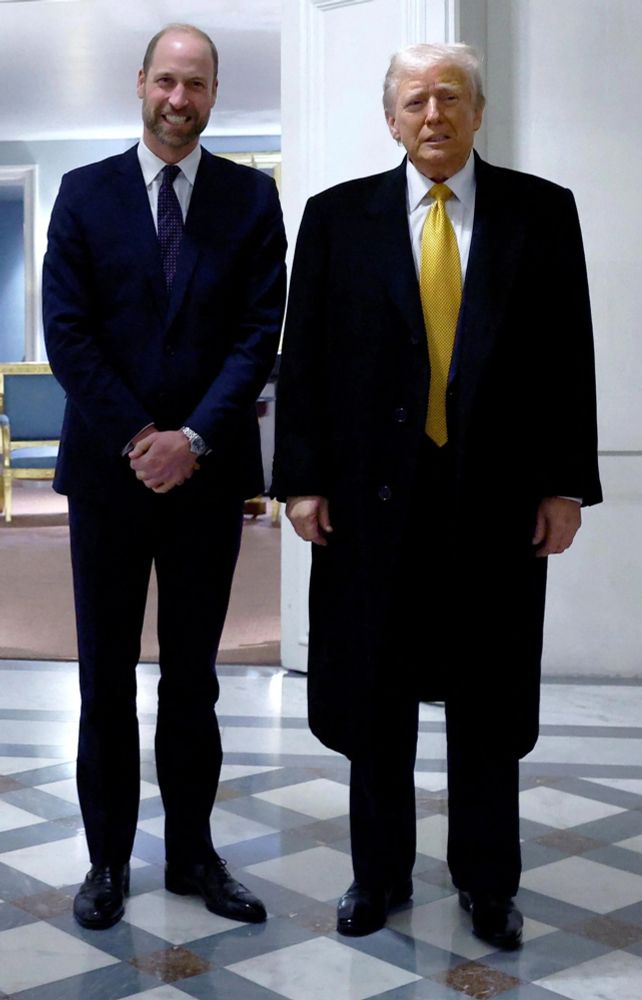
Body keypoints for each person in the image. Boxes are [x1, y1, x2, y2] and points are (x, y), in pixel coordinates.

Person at [272, 42, 601, 948]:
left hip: (496, 501)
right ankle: (376, 874)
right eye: (415, 101)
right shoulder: (336, 218)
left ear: (478, 112)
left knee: (487, 698)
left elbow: (569, 356)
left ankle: (488, 882)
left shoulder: (542, 212)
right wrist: (300, 480)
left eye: (450, 98)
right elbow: (305, 360)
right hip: (371, 503)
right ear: (391, 119)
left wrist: (567, 487)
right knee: (375, 692)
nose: (433, 115)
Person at [43, 23, 286, 930]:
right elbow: (68, 332)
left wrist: (194, 439)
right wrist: (144, 436)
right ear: (140, 82)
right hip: (109, 478)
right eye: (167, 82)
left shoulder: (252, 199)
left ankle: (192, 854)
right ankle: (107, 860)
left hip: (207, 482)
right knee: (104, 678)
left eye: (198, 85)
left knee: (194, 679)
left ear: (215, 94)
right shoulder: (83, 193)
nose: (180, 100)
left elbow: (257, 335)